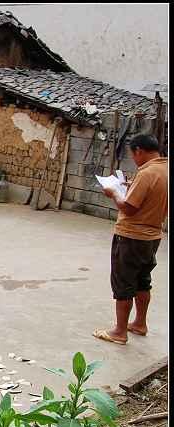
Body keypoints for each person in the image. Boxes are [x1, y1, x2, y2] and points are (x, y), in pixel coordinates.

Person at [94, 134, 168, 345]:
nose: (134, 159)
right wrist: (130, 186)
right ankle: (139, 323)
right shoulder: (164, 169)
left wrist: (114, 194)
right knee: (143, 281)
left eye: (133, 155)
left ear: (139, 151)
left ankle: (119, 331)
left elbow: (128, 207)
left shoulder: (147, 173)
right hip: (152, 236)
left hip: (132, 235)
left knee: (124, 282)